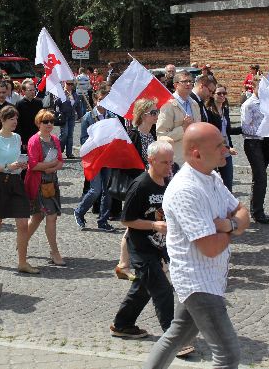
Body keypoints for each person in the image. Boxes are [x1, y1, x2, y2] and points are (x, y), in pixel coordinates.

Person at [144, 123, 251, 369]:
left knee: (177, 335)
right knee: (228, 355)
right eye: (219, 146)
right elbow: (210, 247)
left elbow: (242, 211)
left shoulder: (211, 177)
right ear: (196, 153)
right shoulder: (185, 190)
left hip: (210, 278)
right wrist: (235, 226)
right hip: (198, 282)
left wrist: (227, 225)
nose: (226, 149)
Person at [111, 141, 194, 355]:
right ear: (151, 161)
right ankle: (172, 340)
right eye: (165, 162)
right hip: (140, 247)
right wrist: (153, 225)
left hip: (160, 246)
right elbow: (126, 220)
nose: (169, 167)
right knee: (162, 290)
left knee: (143, 288)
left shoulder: (168, 183)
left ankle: (122, 324)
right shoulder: (140, 185)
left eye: (171, 162)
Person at [0, 106, 38, 274]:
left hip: (16, 182)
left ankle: (22, 262)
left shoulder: (17, 137)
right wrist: (6, 166)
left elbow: (16, 159)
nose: (15, 122)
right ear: (3, 120)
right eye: (12, 119)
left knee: (22, 224)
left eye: (16, 119)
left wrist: (21, 164)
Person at [115, 98, 159, 281]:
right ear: (142, 115)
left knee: (141, 224)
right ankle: (124, 265)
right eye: (153, 113)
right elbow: (125, 163)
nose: (156, 116)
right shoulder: (134, 135)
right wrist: (142, 171)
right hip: (137, 186)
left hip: (148, 185)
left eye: (157, 112)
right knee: (133, 224)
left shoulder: (152, 134)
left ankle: (129, 263)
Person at [25, 109, 65, 266]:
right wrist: (50, 166)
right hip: (38, 183)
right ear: (38, 123)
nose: (49, 124)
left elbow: (61, 160)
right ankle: (54, 252)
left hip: (51, 183)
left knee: (40, 217)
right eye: (45, 122)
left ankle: (22, 242)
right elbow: (33, 165)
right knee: (46, 216)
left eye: (51, 121)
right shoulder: (34, 141)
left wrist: (51, 167)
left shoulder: (55, 139)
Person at [74, 85, 116, 232]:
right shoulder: (88, 117)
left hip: (108, 157)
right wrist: (96, 140)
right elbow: (83, 139)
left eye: (106, 100)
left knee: (107, 191)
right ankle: (79, 211)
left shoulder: (112, 116)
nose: (103, 102)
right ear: (95, 100)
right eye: (100, 99)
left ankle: (103, 220)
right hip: (94, 158)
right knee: (95, 190)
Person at [240, 75, 269, 224]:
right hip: (253, 143)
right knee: (261, 177)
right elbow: (245, 127)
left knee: (259, 178)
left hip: (265, 143)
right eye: (261, 88)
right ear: (254, 88)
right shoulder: (248, 104)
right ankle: (257, 212)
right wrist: (262, 130)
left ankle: (256, 208)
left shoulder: (268, 103)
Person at [157, 70, 201, 166]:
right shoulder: (168, 105)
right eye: (184, 81)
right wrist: (183, 128)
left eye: (191, 81)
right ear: (176, 85)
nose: (189, 84)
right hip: (176, 160)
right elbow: (161, 136)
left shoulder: (194, 104)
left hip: (194, 158)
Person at [205, 84, 240, 192]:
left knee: (228, 184)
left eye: (224, 93)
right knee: (212, 184)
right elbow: (212, 135)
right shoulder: (209, 111)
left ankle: (228, 208)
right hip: (214, 151)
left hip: (226, 152)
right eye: (219, 93)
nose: (222, 95)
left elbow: (228, 130)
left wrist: (244, 129)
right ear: (212, 95)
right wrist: (227, 147)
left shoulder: (225, 110)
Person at [55, 80, 82, 159]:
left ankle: (69, 153)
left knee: (70, 135)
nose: (70, 86)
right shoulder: (60, 93)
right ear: (64, 84)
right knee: (64, 134)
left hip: (72, 116)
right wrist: (62, 96)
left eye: (71, 84)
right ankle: (60, 151)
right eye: (68, 84)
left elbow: (77, 106)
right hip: (63, 116)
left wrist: (80, 115)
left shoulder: (74, 94)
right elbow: (56, 104)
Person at [15, 79, 43, 153]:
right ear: (23, 91)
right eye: (30, 90)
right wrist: (23, 141)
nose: (32, 92)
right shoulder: (19, 104)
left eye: (33, 90)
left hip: (37, 135)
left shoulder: (39, 103)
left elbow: (41, 120)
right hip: (25, 135)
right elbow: (18, 123)